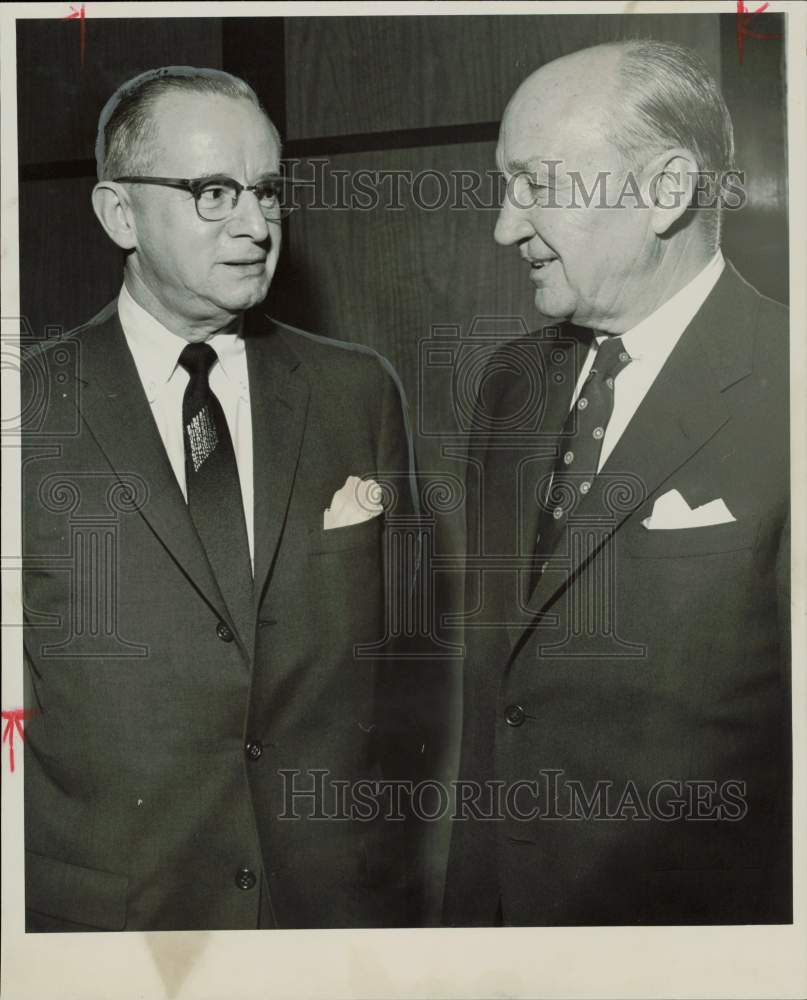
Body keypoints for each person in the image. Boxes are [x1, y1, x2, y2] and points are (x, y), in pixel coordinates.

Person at [21, 66, 420, 931]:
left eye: (267, 191)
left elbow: (409, 677)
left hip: (327, 916)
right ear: (119, 214)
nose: (254, 224)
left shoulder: (357, 392)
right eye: (212, 192)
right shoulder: (27, 412)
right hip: (113, 924)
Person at [443, 40, 791, 925]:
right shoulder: (511, 382)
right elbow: (499, 690)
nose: (504, 226)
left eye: (537, 184)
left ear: (666, 191)